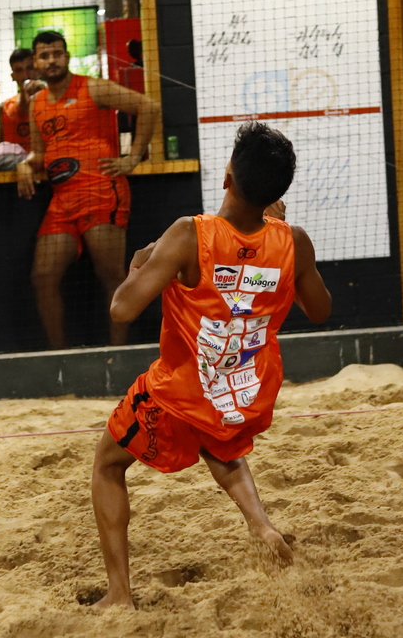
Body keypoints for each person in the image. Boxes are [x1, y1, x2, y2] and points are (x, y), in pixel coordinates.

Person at [91, 122, 332, 609]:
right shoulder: (294, 242)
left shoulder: (189, 234)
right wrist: (280, 247)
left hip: (179, 392)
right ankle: (262, 526)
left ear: (227, 177)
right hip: (244, 390)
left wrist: (143, 262)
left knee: (107, 465)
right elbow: (321, 310)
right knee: (219, 436)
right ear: (276, 195)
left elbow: (121, 308)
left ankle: (119, 594)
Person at [17, 28, 159, 347]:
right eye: (44, 55)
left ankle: (117, 354)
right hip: (62, 200)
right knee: (43, 275)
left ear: (67, 57)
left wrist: (132, 158)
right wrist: (24, 164)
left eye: (57, 53)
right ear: (35, 62)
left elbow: (149, 107)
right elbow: (39, 153)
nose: (52, 60)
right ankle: (60, 358)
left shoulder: (93, 87)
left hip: (101, 191)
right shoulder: (36, 102)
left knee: (111, 275)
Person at [0, 47, 44, 147]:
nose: (25, 75)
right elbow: (0, 147)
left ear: (38, 70)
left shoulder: (54, 102)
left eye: (30, 68)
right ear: (13, 76)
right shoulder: (4, 108)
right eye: (19, 70)